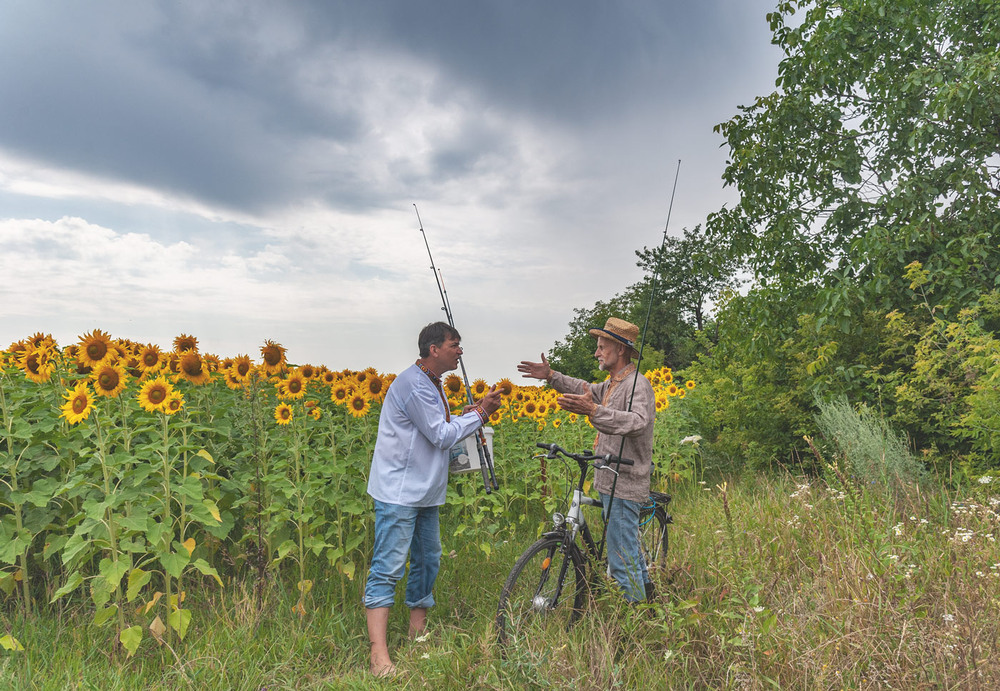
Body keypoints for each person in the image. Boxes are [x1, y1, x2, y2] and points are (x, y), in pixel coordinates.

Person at [364, 321, 502, 677]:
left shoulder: (430, 383)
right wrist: (482, 414)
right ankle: (378, 654)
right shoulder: (413, 385)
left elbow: (437, 424)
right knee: (389, 566)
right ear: (434, 349)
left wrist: (471, 413)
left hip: (424, 490)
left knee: (428, 559)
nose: (460, 351)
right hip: (399, 492)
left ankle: (417, 633)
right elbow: (441, 436)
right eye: (455, 344)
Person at [517, 316, 655, 602]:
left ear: (621, 349)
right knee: (628, 552)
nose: (597, 353)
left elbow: (638, 422)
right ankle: (647, 602)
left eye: (602, 347)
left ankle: (637, 626)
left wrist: (594, 412)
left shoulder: (637, 385)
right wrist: (551, 376)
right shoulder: (612, 385)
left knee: (621, 563)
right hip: (608, 482)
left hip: (625, 484)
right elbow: (584, 388)